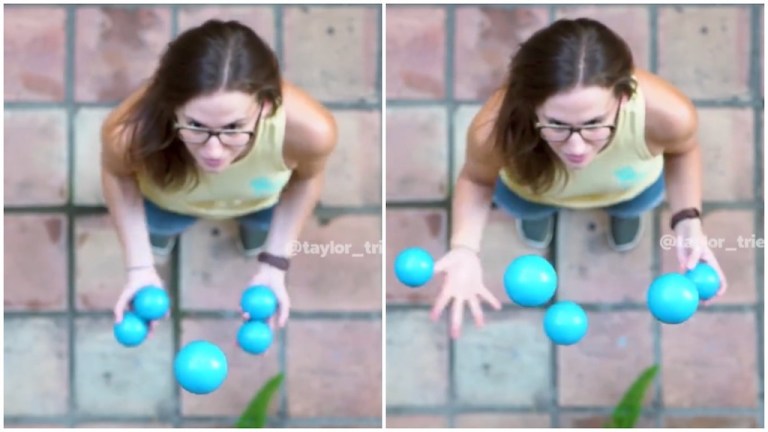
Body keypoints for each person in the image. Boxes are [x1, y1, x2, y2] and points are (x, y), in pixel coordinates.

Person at [430, 18, 728, 339]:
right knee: (525, 207)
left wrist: (687, 220)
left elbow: (683, 151)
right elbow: (476, 180)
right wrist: (464, 249)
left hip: (629, 188)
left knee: (634, 205)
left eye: (593, 123)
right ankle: (541, 214)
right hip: (532, 191)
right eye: (556, 124)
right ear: (530, 107)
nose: (575, 148)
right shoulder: (493, 129)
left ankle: (621, 213)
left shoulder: (669, 114)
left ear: (623, 98)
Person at [101, 19, 337, 331]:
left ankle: (255, 237)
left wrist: (275, 261)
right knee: (157, 226)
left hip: (261, 203)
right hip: (168, 203)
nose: (213, 152)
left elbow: (307, 178)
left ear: (265, 106)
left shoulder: (311, 131)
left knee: (264, 227)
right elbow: (118, 176)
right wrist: (140, 265)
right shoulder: (127, 133)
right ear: (171, 106)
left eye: (233, 128)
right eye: (196, 126)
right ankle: (158, 239)